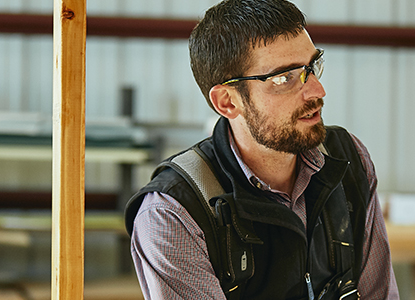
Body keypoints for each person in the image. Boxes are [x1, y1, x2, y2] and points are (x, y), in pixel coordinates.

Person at [124, 0, 399, 299]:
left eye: (311, 67)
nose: (317, 91)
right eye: (284, 78)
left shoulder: (349, 159)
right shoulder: (173, 213)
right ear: (228, 102)